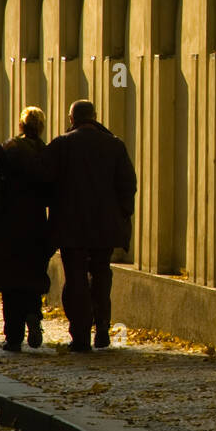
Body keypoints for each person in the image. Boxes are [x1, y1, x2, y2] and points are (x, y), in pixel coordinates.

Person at [46, 99, 137, 352]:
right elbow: (128, 185)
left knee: (74, 278)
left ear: (71, 119)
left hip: (70, 227)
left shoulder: (61, 145)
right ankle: (103, 330)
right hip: (104, 228)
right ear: (95, 117)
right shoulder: (114, 145)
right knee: (101, 274)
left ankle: (81, 335)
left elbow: (45, 181)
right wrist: (121, 215)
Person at [0, 106, 55, 352]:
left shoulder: (6, 150)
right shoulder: (46, 153)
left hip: (6, 225)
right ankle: (33, 314)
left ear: (20, 126)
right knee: (31, 275)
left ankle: (13, 337)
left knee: (9, 281)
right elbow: (53, 190)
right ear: (40, 128)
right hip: (34, 224)